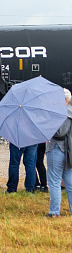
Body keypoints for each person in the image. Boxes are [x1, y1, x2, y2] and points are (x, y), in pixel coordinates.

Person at [45, 88, 72, 217]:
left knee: (54, 181)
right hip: (69, 151)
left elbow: (59, 132)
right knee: (70, 182)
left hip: (57, 148)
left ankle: (54, 212)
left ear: (65, 99)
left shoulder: (63, 113)